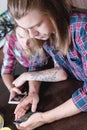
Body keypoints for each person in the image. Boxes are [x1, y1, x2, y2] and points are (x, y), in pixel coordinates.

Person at [6, 0, 87, 129]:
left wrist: (44, 118)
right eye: (27, 29)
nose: (32, 35)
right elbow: (36, 65)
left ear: (54, 10)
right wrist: (33, 92)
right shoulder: (45, 33)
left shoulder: (83, 28)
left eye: (36, 25)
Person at [1, 0, 67, 117]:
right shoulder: (11, 41)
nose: (25, 44)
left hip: (56, 72)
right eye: (20, 36)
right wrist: (13, 88)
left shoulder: (42, 37)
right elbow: (8, 69)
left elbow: (61, 72)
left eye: (29, 40)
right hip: (36, 78)